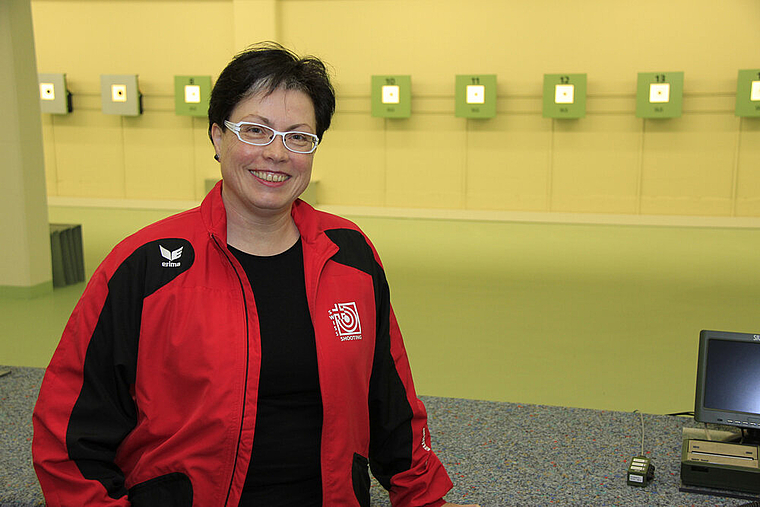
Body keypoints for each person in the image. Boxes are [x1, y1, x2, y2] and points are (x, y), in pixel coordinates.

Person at [32, 42, 480, 507]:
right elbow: (67, 435)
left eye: (298, 137)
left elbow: (392, 408)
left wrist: (424, 499)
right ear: (216, 137)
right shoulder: (144, 265)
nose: (277, 153)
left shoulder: (351, 255)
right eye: (255, 130)